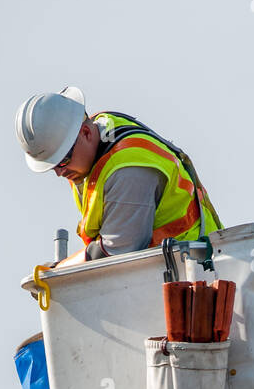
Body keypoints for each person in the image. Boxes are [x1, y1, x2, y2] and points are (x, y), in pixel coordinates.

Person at [15, 86, 221, 259]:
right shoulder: (98, 134)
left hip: (196, 272)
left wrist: (58, 273)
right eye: (52, 166)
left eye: (63, 161)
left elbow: (118, 252)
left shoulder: (128, 171)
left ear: (85, 133)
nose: (60, 173)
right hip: (163, 273)